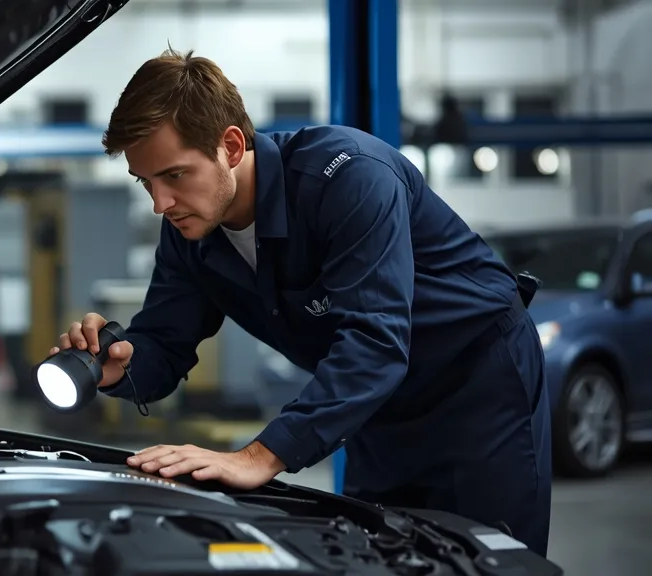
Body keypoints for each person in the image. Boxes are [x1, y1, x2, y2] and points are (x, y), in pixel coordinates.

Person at [50, 48, 552, 556]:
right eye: (146, 182)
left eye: (175, 175)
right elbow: (164, 341)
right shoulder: (189, 233)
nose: (160, 204)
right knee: (378, 557)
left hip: (477, 387)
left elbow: (374, 343)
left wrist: (258, 456)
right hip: (378, 405)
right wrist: (117, 366)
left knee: (484, 561)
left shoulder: (350, 178)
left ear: (230, 146)